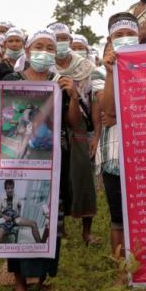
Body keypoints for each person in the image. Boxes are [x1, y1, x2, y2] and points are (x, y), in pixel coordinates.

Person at [3, 28, 84, 291]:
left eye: (50, 47)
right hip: (19, 162)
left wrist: (72, 96)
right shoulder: (12, 80)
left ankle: (41, 279)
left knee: (49, 217)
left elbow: (75, 124)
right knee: (20, 211)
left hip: (53, 162)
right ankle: (19, 282)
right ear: (27, 51)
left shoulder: (61, 82)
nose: (44, 52)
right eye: (39, 46)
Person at [48, 23, 98, 245]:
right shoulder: (43, 67)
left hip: (78, 127)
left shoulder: (85, 67)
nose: (61, 42)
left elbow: (94, 102)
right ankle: (60, 230)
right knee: (56, 178)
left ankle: (86, 232)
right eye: (56, 38)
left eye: (64, 37)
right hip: (50, 127)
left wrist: (96, 135)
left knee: (82, 177)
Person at [100, 13, 140, 260]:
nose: (125, 39)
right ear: (110, 39)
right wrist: (110, 72)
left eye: (130, 34)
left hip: (145, 152)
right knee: (118, 218)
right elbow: (108, 111)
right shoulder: (103, 69)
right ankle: (121, 270)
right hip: (115, 155)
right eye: (119, 36)